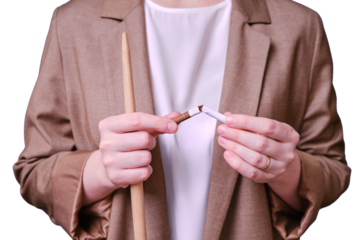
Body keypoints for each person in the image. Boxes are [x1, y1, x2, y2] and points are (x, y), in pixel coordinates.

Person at [11, 0, 352, 239]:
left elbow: (334, 169)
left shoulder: (299, 26)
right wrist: (98, 171)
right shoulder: (72, 23)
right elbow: (32, 170)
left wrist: (287, 171)